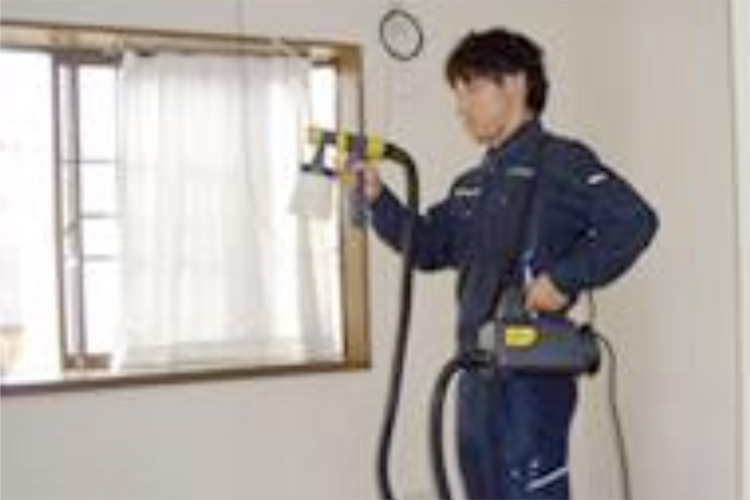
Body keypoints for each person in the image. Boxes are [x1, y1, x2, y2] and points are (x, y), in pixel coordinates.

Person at [361, 27, 658, 500]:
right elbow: (428, 245)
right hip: (474, 376)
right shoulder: (471, 184)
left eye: (472, 89)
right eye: (457, 94)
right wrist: (379, 200)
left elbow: (634, 221)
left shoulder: (562, 162)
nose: (461, 107)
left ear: (516, 83)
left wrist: (564, 279)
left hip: (531, 382)